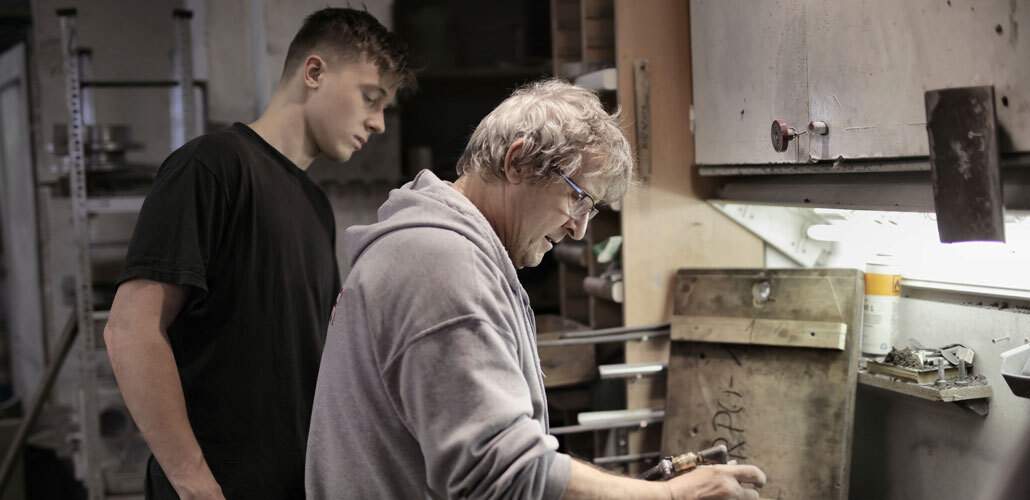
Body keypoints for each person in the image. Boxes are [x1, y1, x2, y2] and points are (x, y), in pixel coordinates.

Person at [305, 80, 766, 500]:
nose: (580, 229)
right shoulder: (442, 264)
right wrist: (670, 497)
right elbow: (502, 474)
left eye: (593, 208)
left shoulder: (438, 246)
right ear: (518, 161)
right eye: (577, 197)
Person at [103, 8, 412, 500]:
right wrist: (195, 485)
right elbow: (131, 331)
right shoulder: (211, 167)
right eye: (370, 98)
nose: (377, 123)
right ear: (314, 72)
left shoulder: (314, 206)